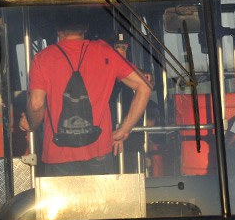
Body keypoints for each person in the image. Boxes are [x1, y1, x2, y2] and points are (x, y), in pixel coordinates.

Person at [22, 16, 151, 176]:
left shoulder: (43, 58)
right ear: (86, 28)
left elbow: (36, 104)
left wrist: (32, 123)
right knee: (102, 201)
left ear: (57, 29)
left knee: (64, 202)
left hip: (58, 154)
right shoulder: (105, 51)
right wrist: (124, 129)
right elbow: (144, 87)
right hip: (99, 151)